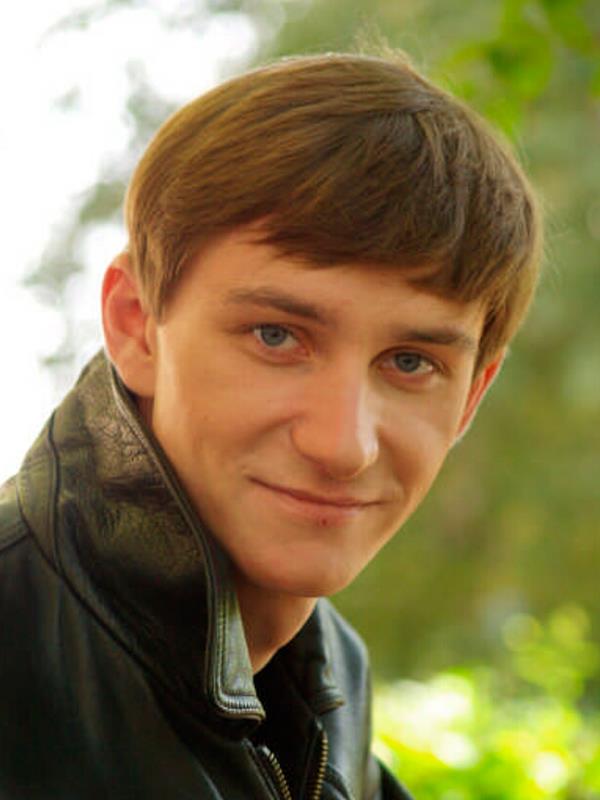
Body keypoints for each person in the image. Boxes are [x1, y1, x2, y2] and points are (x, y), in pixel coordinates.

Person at [0, 51, 541, 799]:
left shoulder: (331, 675)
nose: (343, 445)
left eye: (411, 362)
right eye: (276, 336)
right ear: (135, 325)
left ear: (472, 397)